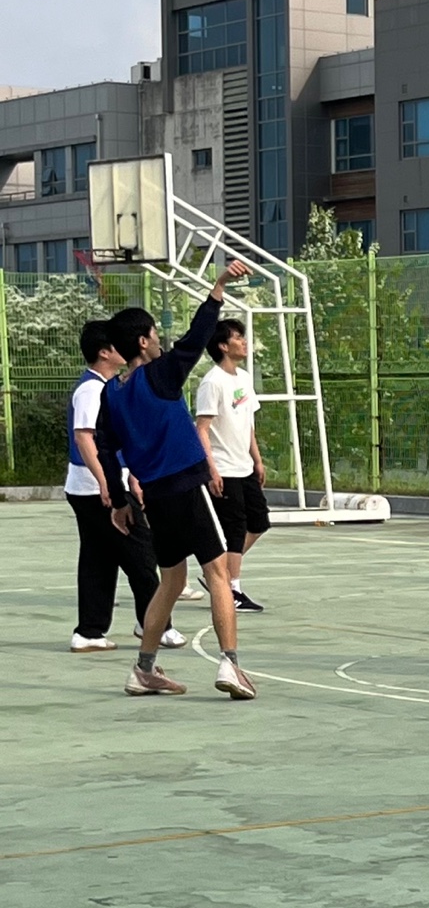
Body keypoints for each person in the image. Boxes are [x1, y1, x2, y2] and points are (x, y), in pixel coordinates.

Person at [96, 260, 257, 700]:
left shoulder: (113, 392)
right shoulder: (160, 374)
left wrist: (120, 502)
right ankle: (231, 664)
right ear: (143, 341)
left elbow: (106, 448)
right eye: (154, 334)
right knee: (218, 571)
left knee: (170, 580)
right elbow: (197, 337)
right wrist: (218, 285)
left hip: (155, 496)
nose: (159, 341)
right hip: (187, 485)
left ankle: (144, 669)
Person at [65, 321, 185, 654]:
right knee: (142, 555)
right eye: (117, 344)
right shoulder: (91, 390)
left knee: (98, 560)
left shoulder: (107, 387)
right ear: (105, 352)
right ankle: (155, 624)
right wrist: (107, 482)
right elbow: (84, 438)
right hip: (95, 489)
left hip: (89, 487)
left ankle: (90, 631)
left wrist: (130, 474)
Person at [196, 318, 269, 613]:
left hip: (244, 465)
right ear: (223, 346)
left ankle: (217, 573)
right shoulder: (212, 382)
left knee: (259, 522)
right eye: (238, 337)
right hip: (224, 467)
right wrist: (211, 469)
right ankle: (231, 588)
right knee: (235, 529)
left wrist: (257, 460)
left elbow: (247, 423)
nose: (244, 342)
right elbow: (202, 429)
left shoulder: (244, 378)